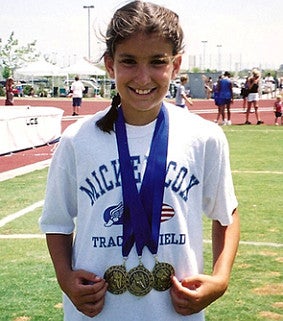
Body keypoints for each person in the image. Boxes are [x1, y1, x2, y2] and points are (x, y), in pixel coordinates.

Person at [39, 2, 240, 321]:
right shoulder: (78, 139)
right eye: (129, 61)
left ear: (175, 65)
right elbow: (56, 222)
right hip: (96, 313)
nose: (143, 77)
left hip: (175, 313)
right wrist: (65, 277)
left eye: (157, 62)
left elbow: (226, 214)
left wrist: (220, 279)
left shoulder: (204, 136)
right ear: (110, 64)